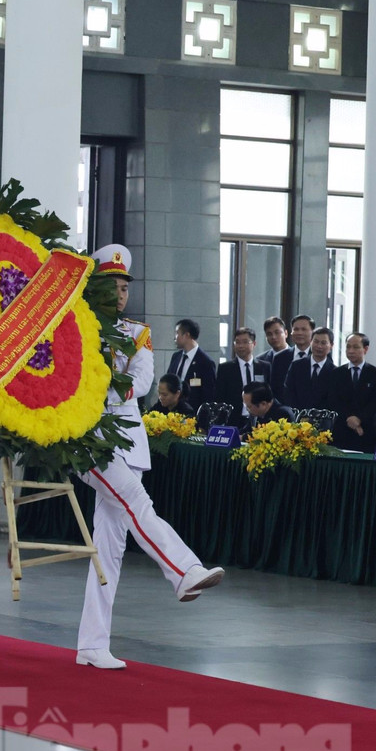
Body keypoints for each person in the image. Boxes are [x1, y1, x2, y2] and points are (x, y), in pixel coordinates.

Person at [77, 244, 224, 670]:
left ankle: (92, 642)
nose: (120, 293)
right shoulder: (76, 328)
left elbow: (141, 381)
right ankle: (182, 571)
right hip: (88, 438)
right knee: (137, 504)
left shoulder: (137, 332)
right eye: (112, 285)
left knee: (110, 547)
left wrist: (100, 385)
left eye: (124, 287)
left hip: (124, 438)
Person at [328, 332, 376, 453]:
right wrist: (349, 418)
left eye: (356, 347)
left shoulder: (375, 373)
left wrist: (359, 419)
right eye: (348, 347)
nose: (351, 351)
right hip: (342, 429)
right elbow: (333, 400)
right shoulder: (337, 373)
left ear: (365, 349)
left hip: (366, 430)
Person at [215, 327, 269, 420]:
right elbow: (219, 396)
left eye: (245, 342)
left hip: (260, 419)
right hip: (234, 418)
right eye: (237, 342)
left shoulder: (264, 367)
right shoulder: (225, 368)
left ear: (254, 344)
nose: (240, 346)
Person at [166, 318, 217, 412]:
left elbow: (208, 395)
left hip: (192, 415)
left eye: (177, 333)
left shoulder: (206, 362)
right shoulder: (176, 357)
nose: (175, 337)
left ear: (186, 335)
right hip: (171, 413)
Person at [283, 326, 335, 411]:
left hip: (323, 419)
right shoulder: (296, 366)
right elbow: (288, 393)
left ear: (331, 345)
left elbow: (332, 400)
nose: (319, 346)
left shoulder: (334, 371)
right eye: (316, 342)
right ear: (310, 342)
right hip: (297, 418)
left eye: (323, 343)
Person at [258, 316, 294, 402]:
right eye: (269, 334)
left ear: (286, 333)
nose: (273, 337)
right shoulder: (260, 360)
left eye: (277, 332)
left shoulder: (296, 357)